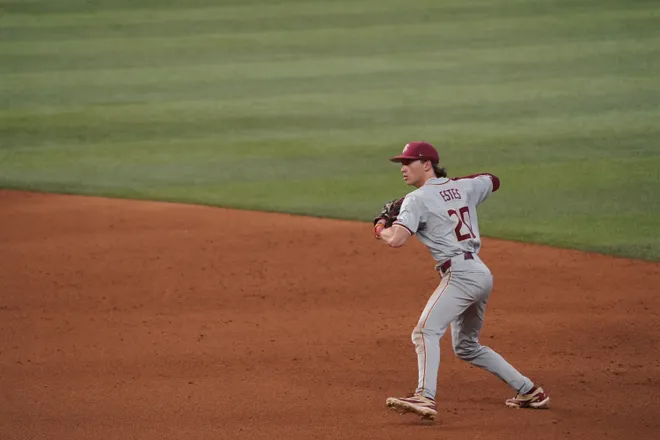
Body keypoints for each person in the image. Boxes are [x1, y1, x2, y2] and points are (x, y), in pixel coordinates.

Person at [374, 141, 550, 421]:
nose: (403, 169)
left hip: (460, 275)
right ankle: (529, 390)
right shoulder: (465, 188)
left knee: (424, 332)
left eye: (409, 163)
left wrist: (380, 226)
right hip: (480, 274)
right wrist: (450, 184)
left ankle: (424, 396)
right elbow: (493, 180)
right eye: (401, 164)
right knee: (467, 346)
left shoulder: (416, 200)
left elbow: (396, 240)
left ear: (427, 164)